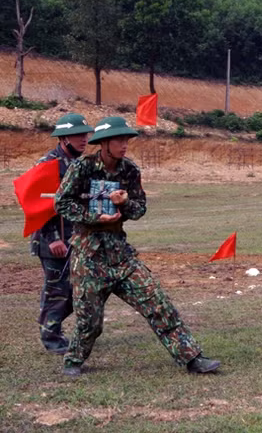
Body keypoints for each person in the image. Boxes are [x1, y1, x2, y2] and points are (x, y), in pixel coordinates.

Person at [54, 116, 220, 376]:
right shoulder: (82, 168)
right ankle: (74, 361)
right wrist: (94, 217)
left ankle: (192, 358)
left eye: (126, 140)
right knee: (89, 321)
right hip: (88, 257)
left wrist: (124, 204)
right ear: (104, 143)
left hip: (121, 255)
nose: (124, 145)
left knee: (157, 303)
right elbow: (61, 203)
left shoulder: (130, 171)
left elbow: (139, 209)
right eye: (119, 140)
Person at [30, 113, 93, 354]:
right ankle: (52, 338)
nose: (84, 139)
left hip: (74, 239)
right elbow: (38, 205)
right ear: (64, 137)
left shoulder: (78, 164)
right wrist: (53, 238)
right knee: (57, 290)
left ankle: (50, 326)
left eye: (85, 134)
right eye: (78, 135)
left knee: (75, 289)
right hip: (52, 241)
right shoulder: (48, 164)